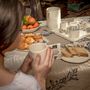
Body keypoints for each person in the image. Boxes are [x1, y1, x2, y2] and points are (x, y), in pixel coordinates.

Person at [0, 0, 54, 90]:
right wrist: (40, 78)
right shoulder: (28, 85)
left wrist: (22, 71)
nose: (22, 34)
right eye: (20, 29)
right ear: (5, 38)